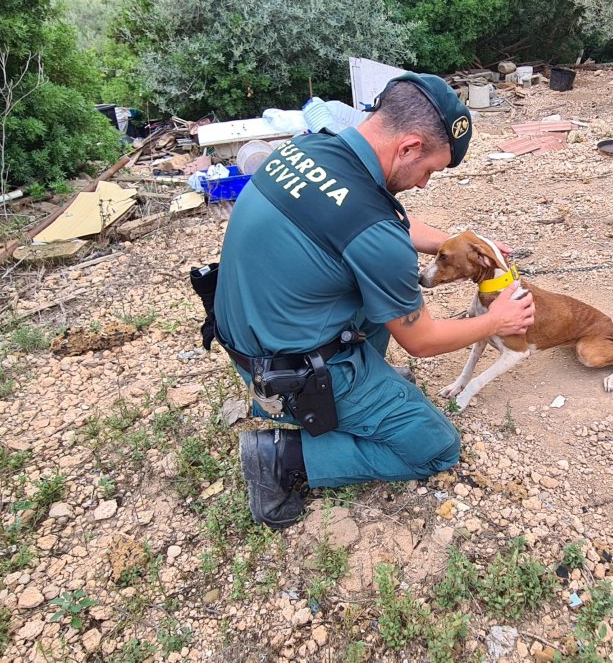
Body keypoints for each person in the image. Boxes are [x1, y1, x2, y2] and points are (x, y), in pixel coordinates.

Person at [213, 73, 535, 529]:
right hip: (290, 373)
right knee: (436, 446)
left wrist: (464, 243)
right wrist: (495, 320)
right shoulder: (372, 232)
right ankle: (281, 456)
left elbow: (385, 227)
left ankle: (364, 390)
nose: (424, 185)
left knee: (379, 285)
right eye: (429, 171)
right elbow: (421, 340)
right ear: (408, 147)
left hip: (248, 335)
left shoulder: (310, 149)